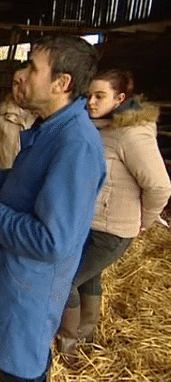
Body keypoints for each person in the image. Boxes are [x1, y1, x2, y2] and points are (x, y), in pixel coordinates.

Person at [0, 35, 105, 381]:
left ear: (62, 83)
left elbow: (52, 241)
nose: (23, 74)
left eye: (32, 68)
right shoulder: (50, 129)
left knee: (22, 371)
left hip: (30, 296)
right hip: (16, 283)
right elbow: (21, 182)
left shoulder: (76, 145)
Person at [56, 69, 171, 365]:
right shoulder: (102, 126)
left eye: (100, 96)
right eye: (89, 95)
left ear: (120, 99)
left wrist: (144, 221)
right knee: (88, 278)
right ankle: (86, 337)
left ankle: (68, 347)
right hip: (91, 222)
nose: (91, 102)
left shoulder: (132, 133)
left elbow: (159, 185)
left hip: (113, 229)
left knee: (65, 279)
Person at [0, 63, 38, 169]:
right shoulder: (3, 117)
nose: (20, 88)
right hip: (5, 183)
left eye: (26, 82)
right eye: (16, 83)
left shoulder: (44, 118)